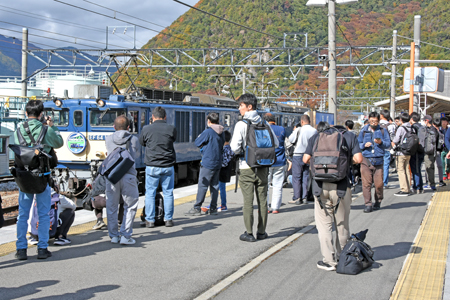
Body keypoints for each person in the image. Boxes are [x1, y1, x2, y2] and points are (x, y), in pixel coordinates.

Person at [303, 121, 363, 271]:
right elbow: (359, 159)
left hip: (320, 187)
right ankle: (343, 257)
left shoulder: (316, 138)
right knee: (342, 225)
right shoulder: (349, 137)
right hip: (342, 187)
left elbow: (305, 159)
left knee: (324, 226)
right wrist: (345, 162)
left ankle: (329, 261)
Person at [15, 100, 64, 260]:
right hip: (41, 177)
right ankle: (42, 248)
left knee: (22, 214)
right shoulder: (46, 130)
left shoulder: (18, 130)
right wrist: (52, 127)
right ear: (41, 114)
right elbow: (59, 142)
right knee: (43, 213)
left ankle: (21, 249)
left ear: (26, 113)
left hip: (24, 177)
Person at [230, 93, 278, 242]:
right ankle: (262, 232)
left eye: (241, 106)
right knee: (263, 200)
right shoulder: (265, 123)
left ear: (249, 107)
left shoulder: (242, 124)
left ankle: (249, 233)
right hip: (263, 167)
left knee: (248, 202)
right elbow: (275, 144)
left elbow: (234, 148)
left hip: (246, 167)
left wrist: (243, 151)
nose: (239, 109)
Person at [105, 115, 140, 245]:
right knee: (130, 206)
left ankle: (113, 236)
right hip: (129, 175)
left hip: (112, 176)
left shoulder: (108, 139)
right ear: (129, 127)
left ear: (114, 127)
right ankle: (126, 235)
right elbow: (135, 155)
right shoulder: (134, 139)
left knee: (111, 206)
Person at [139, 106, 177, 228]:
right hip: (167, 165)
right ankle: (168, 219)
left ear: (152, 117)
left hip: (152, 165)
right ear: (165, 117)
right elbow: (173, 140)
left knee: (150, 193)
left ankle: (150, 220)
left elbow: (142, 142)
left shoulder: (146, 128)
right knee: (168, 193)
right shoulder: (171, 128)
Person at [186, 113, 224, 216]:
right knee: (215, 186)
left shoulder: (208, 132)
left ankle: (197, 207)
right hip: (217, 162)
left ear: (209, 121)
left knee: (203, 185)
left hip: (208, 162)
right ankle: (213, 208)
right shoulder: (222, 132)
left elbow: (197, 142)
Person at [357, 112, 391, 213]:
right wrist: (363, 145)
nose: (373, 123)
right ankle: (368, 204)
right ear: (368, 119)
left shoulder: (383, 130)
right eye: (372, 121)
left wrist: (381, 143)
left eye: (375, 121)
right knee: (366, 184)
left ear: (378, 121)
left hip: (379, 160)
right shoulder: (363, 131)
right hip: (366, 159)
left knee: (379, 184)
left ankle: (378, 200)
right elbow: (358, 144)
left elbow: (388, 144)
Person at [288, 115, 317, 205]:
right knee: (306, 177)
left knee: (296, 177)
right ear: (309, 121)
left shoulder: (298, 130)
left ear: (302, 121)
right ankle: (305, 197)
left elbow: (290, 139)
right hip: (309, 156)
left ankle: (297, 197)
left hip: (297, 155)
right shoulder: (314, 131)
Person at [264, 113, 286, 214]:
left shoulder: (264, 129)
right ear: (274, 120)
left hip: (267, 160)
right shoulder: (282, 129)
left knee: (265, 185)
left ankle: (265, 207)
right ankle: (276, 207)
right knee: (278, 185)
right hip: (280, 160)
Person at [392, 112, 413, 196]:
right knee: (407, 169)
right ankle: (408, 187)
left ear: (401, 120)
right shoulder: (411, 128)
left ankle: (404, 189)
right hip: (409, 152)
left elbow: (396, 140)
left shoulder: (401, 128)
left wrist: (392, 144)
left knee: (400, 170)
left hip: (401, 152)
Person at [217, 131, 235, 211]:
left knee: (220, 188)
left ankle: (223, 205)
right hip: (225, 172)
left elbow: (224, 163)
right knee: (221, 188)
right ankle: (222, 205)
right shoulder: (230, 149)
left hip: (222, 172)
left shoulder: (225, 149)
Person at [379, 109, 396, 189]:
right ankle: (384, 183)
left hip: (378, 148)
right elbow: (393, 137)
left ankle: (377, 182)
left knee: (378, 166)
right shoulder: (391, 125)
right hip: (387, 148)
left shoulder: (377, 125)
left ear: (382, 115)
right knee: (386, 166)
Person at [421, 115, 438, 191]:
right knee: (431, 167)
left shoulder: (426, 130)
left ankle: (431, 184)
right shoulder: (435, 130)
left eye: (424, 120)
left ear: (427, 121)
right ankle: (430, 183)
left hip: (427, 152)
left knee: (429, 168)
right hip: (433, 151)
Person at [410, 112, 425, 194]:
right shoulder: (422, 127)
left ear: (412, 119)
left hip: (415, 151)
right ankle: (420, 186)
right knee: (418, 168)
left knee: (415, 169)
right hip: (422, 150)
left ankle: (417, 186)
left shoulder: (414, 127)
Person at [431, 118, 446, 187]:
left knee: (440, 165)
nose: (437, 127)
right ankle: (429, 181)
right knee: (430, 166)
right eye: (436, 126)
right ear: (433, 124)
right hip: (431, 151)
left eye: (438, 126)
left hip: (438, 151)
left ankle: (441, 180)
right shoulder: (430, 131)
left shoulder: (441, 131)